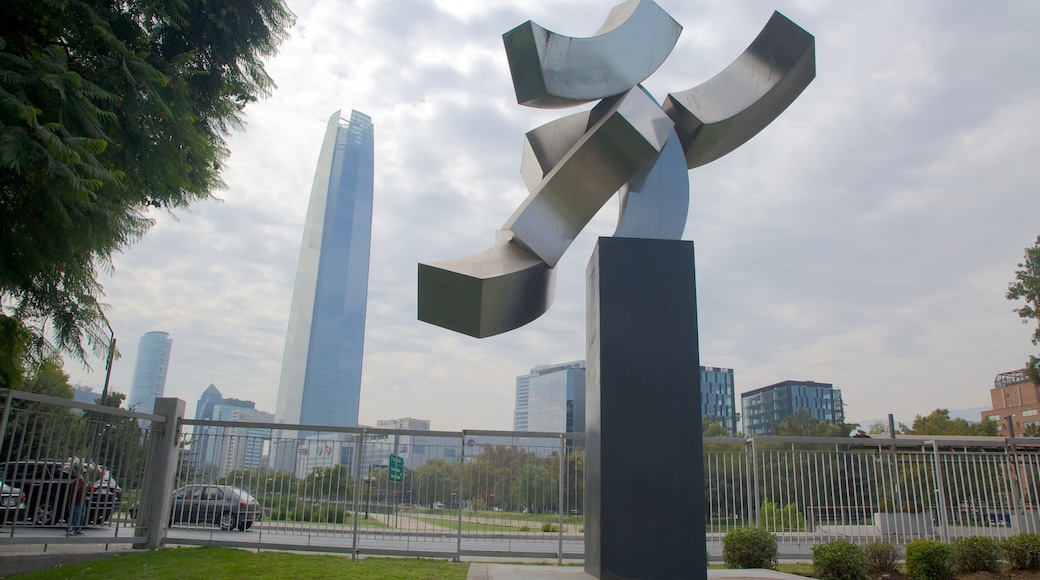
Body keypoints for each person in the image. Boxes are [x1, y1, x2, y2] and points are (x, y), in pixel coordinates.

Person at [68, 464, 87, 535]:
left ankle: (78, 528)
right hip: (76, 502)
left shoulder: (84, 482)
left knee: (81, 516)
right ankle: (71, 528)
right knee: (74, 515)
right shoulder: (77, 481)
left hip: (82, 502)